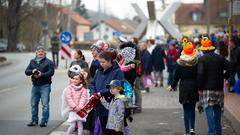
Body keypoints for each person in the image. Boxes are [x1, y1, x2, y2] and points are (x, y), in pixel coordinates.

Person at [197, 37, 233, 135]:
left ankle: (211, 132)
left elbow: (200, 75)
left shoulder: (202, 59)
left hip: (206, 89)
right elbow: (231, 67)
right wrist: (224, 76)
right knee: (217, 109)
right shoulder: (220, 58)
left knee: (209, 109)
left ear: (204, 50)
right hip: (218, 88)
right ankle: (218, 132)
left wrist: (199, 88)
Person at [89, 51, 125, 135]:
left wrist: (101, 93)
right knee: (103, 128)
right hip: (99, 104)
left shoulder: (117, 72)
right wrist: (93, 93)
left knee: (114, 131)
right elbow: (92, 83)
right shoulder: (98, 71)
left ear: (109, 61)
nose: (101, 64)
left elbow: (118, 86)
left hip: (112, 105)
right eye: (100, 62)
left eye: (103, 62)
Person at [167, 42, 199, 135]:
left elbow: (176, 77)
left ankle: (187, 131)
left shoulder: (180, 63)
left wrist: (172, 86)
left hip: (184, 86)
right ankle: (192, 128)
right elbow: (199, 75)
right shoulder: (196, 62)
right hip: (194, 86)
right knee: (192, 108)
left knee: (186, 109)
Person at [25, 46, 55, 127]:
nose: (40, 53)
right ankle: (34, 120)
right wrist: (32, 71)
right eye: (39, 51)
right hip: (35, 86)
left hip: (45, 85)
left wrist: (42, 74)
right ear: (36, 53)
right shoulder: (32, 62)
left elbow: (51, 72)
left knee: (45, 104)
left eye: (42, 51)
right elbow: (26, 71)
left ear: (45, 53)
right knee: (33, 104)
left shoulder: (49, 62)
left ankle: (44, 121)